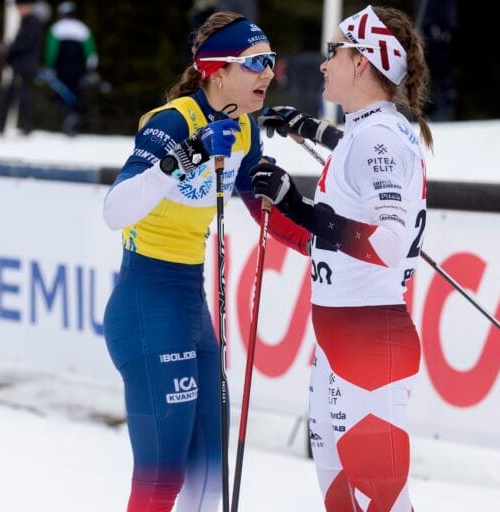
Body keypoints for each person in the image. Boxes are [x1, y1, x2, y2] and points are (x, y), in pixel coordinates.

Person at [101, 12, 309, 512]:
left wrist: (325, 241)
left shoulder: (243, 130)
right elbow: (115, 209)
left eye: (271, 62)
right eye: (256, 62)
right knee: (160, 482)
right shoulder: (176, 122)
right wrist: (182, 160)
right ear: (217, 71)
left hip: (191, 311)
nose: (268, 73)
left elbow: (264, 212)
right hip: (146, 306)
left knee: (210, 482)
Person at [252, 5, 431, 511]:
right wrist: (309, 128)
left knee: (381, 497)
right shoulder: (371, 129)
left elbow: (390, 244)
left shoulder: (377, 138)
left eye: (336, 52)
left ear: (362, 63)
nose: (324, 63)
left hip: (369, 334)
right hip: (341, 334)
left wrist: (295, 206)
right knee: (337, 490)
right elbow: (355, 150)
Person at [44, 1, 98, 135]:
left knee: (62, 92)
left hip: (61, 67)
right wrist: (91, 68)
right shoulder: (83, 28)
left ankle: (66, 117)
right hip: (78, 67)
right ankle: (74, 117)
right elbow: (90, 51)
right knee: (76, 93)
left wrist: (49, 66)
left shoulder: (56, 28)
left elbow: (51, 49)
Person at [0, 0, 43, 136]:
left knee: (21, 96)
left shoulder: (31, 22)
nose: (17, 10)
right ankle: (4, 127)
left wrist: (8, 51)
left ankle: (26, 127)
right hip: (22, 65)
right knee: (13, 96)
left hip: (24, 67)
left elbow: (23, 44)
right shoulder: (28, 21)